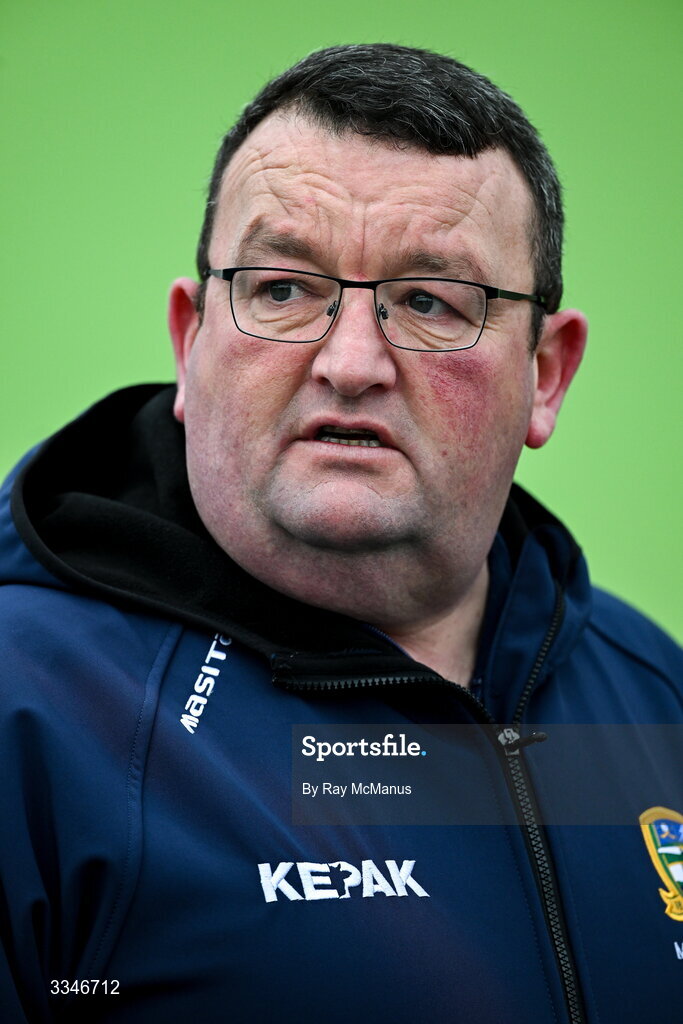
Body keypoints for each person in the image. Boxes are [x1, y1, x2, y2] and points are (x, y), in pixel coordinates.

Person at [0, 43, 681, 1024]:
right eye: (281, 289)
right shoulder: (32, 714)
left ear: (546, 372)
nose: (350, 361)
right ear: (191, 344)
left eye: (429, 302)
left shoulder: (651, 697)